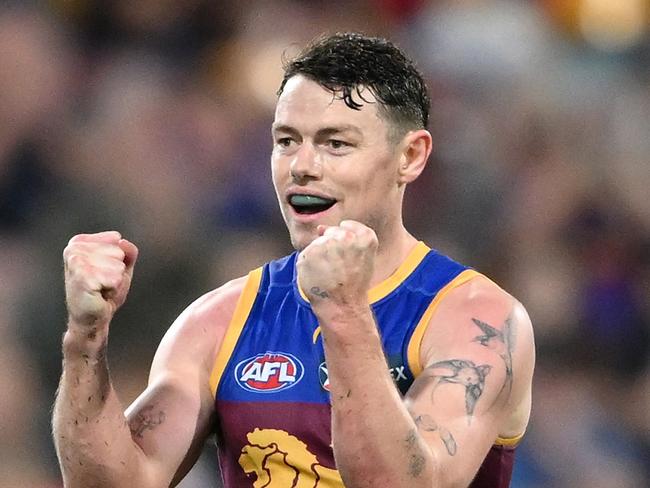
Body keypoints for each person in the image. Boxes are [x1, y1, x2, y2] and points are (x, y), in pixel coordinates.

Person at [53, 33, 535, 488]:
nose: (302, 166)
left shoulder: (479, 320)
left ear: (410, 155)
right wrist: (84, 340)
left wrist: (343, 310)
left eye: (335, 143)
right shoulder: (219, 321)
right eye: (286, 141)